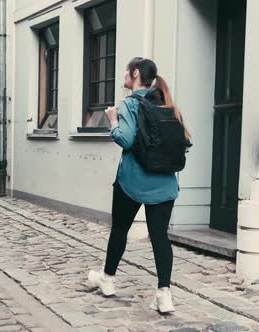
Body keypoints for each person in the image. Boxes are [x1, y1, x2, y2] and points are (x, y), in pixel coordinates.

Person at [88, 57, 191, 313]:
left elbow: (126, 139)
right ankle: (164, 294)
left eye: (126, 71)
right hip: (165, 183)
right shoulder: (166, 103)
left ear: (135, 74)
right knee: (160, 238)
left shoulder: (130, 104)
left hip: (132, 181)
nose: (124, 74)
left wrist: (112, 120)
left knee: (120, 230)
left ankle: (108, 280)